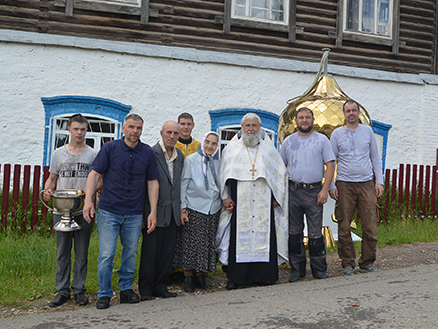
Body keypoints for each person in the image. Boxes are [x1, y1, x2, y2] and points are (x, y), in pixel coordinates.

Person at [83, 113, 160, 310]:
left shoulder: (147, 153)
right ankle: (104, 293)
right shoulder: (110, 148)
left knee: (130, 253)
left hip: (134, 214)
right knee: (107, 254)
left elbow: (152, 183)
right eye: (132, 127)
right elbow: (94, 174)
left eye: (139, 128)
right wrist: (88, 201)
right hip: (109, 211)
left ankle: (126, 289)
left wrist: (152, 212)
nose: (135, 131)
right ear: (123, 128)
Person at [216, 113, 288, 289]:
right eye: (247, 125)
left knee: (264, 237)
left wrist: (279, 198)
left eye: (254, 126)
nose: (250, 129)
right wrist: (225, 197)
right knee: (238, 238)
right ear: (242, 128)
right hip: (241, 204)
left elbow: (281, 175)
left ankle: (264, 276)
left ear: (259, 128)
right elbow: (223, 175)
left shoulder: (269, 150)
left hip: (264, 204)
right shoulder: (232, 149)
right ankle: (236, 278)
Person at [43, 114, 98, 307]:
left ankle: (80, 290)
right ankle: (62, 291)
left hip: (83, 210)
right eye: (76, 129)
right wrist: (47, 191)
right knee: (63, 251)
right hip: (62, 210)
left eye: (83, 129)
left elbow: (100, 181)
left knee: (82, 252)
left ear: (86, 130)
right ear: (69, 129)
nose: (79, 132)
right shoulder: (58, 153)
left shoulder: (92, 154)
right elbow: (52, 178)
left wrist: (88, 196)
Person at [279, 107, 335, 282]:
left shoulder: (321, 140)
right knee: (294, 233)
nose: (304, 120)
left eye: (307, 117)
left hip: (314, 191)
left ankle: (319, 270)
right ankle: (297, 270)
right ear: (296, 120)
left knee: (315, 233)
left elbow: (330, 164)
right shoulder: (288, 141)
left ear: (312, 120)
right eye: (301, 117)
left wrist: (325, 189)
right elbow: (280, 167)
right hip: (293, 191)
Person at [329, 100, 384, 275]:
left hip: (366, 182)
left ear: (358, 112)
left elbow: (375, 157)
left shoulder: (367, 131)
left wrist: (379, 181)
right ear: (344, 114)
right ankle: (347, 263)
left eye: (354, 110)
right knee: (344, 224)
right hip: (344, 183)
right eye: (348, 111)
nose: (351, 113)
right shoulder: (337, 134)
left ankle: (367, 262)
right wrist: (331, 185)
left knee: (370, 225)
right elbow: (331, 161)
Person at [138, 121, 184, 300]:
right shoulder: (150, 153)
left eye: (175, 133)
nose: (172, 136)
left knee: (167, 253)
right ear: (161, 133)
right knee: (150, 253)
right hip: (153, 212)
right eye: (169, 132)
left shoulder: (179, 156)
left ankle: (160, 286)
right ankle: (146, 290)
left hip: (172, 213)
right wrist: (144, 212)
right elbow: (143, 185)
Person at [173, 132, 222, 292]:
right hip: (194, 207)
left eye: (214, 144)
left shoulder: (218, 162)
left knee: (207, 245)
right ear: (202, 142)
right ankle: (188, 278)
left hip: (212, 209)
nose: (209, 146)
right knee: (190, 244)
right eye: (207, 142)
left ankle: (201, 276)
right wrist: (182, 207)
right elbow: (184, 184)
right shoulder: (191, 160)